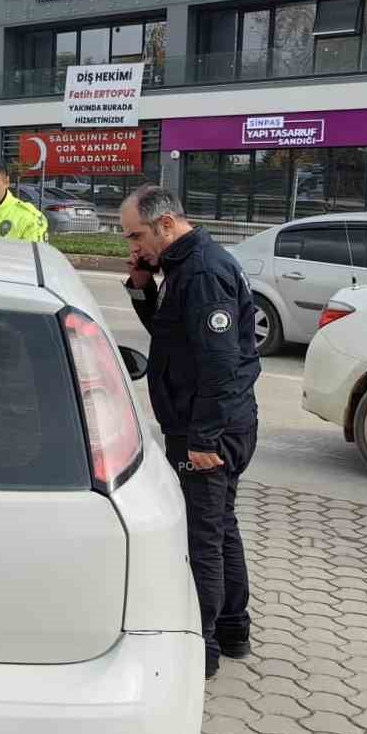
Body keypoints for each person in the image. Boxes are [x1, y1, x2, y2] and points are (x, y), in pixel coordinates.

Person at [119, 185, 260, 680]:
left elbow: (220, 365)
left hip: (210, 427)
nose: (133, 246)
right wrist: (142, 284)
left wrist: (202, 441)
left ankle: (202, 650)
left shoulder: (201, 272)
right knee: (220, 525)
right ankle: (234, 629)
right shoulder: (182, 267)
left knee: (203, 536)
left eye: (136, 236)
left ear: (165, 224)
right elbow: (169, 333)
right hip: (213, 421)